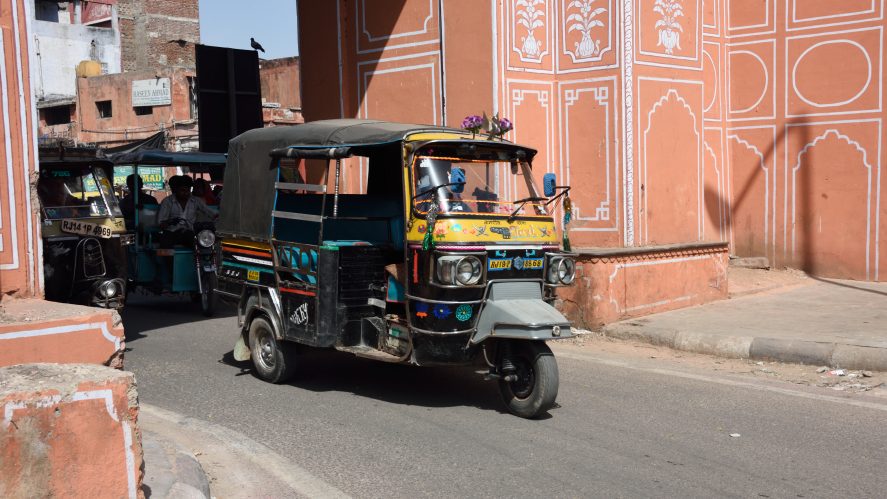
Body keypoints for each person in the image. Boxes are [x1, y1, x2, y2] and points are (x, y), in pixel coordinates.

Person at [157, 175, 217, 247]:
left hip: (189, 232)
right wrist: (170, 222)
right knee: (164, 244)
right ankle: (168, 258)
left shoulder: (196, 200)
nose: (185, 193)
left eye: (188, 190)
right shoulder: (167, 201)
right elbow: (161, 224)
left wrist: (217, 217)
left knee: (202, 244)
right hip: (171, 233)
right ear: (176, 190)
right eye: (182, 190)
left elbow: (209, 211)